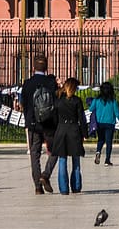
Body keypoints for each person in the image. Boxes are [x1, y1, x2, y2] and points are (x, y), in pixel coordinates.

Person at [18, 56, 61, 194]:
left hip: (32, 122)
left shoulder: (27, 83)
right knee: (55, 150)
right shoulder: (51, 82)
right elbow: (56, 101)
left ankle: (37, 186)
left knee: (34, 153)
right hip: (49, 122)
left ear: (33, 68)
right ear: (47, 68)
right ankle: (46, 174)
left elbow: (23, 103)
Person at [51, 77, 86, 194]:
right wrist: (84, 133)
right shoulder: (77, 101)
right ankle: (76, 186)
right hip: (74, 130)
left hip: (61, 130)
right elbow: (82, 118)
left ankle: (64, 188)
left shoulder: (58, 101)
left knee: (62, 160)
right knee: (76, 160)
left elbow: (54, 119)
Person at [90, 82, 119, 165]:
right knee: (108, 142)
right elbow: (117, 113)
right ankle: (107, 160)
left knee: (100, 139)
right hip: (110, 123)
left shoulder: (97, 100)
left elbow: (91, 109)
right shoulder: (113, 101)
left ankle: (98, 152)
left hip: (99, 123)